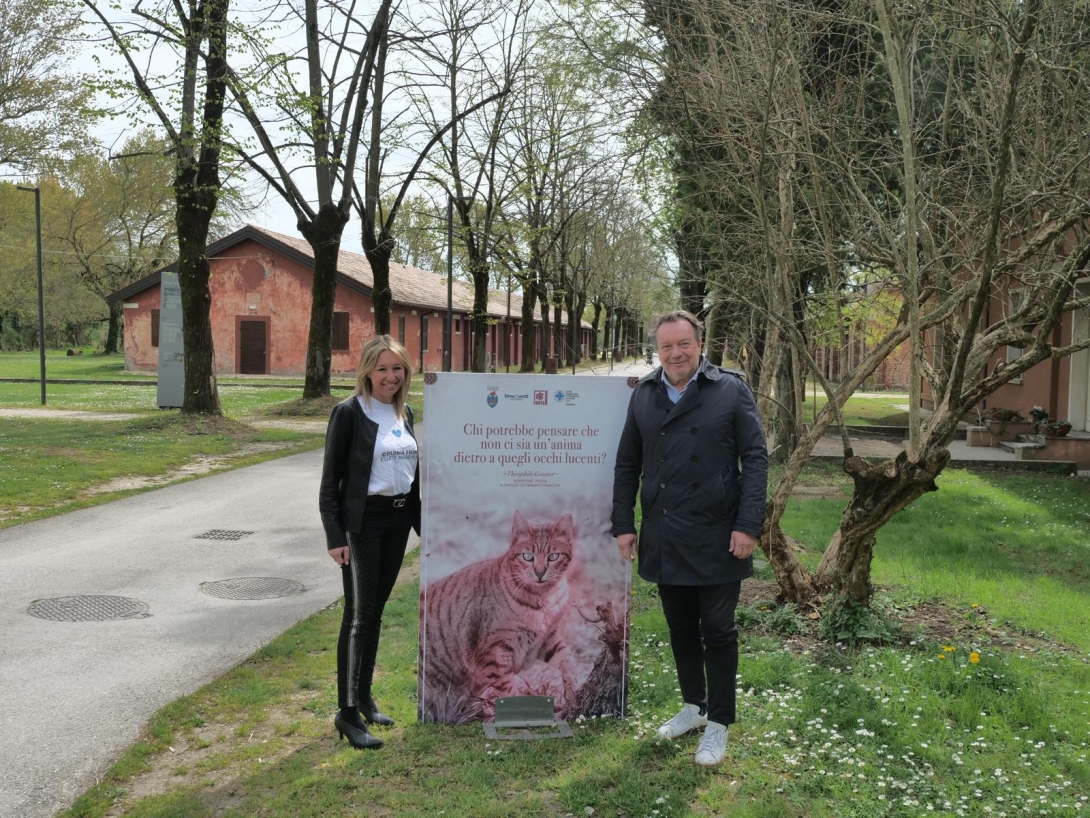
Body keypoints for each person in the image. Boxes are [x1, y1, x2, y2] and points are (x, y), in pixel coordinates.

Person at [611, 310, 767, 766]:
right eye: (666, 347)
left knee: (717, 630)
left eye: (684, 344)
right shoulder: (643, 394)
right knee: (680, 627)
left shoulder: (730, 389)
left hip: (719, 531)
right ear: (656, 351)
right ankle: (694, 706)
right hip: (665, 529)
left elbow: (755, 458)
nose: (675, 353)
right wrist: (624, 523)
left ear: (700, 345)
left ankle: (717, 723)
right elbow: (626, 464)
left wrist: (748, 523)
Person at [319, 335, 420, 750]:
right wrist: (334, 534)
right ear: (366, 371)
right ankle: (346, 713)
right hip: (362, 525)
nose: (390, 377)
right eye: (382, 369)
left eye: (397, 368)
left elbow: (412, 475)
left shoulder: (404, 413)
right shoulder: (348, 414)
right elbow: (330, 482)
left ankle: (363, 697)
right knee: (358, 617)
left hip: (397, 522)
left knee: (375, 613)